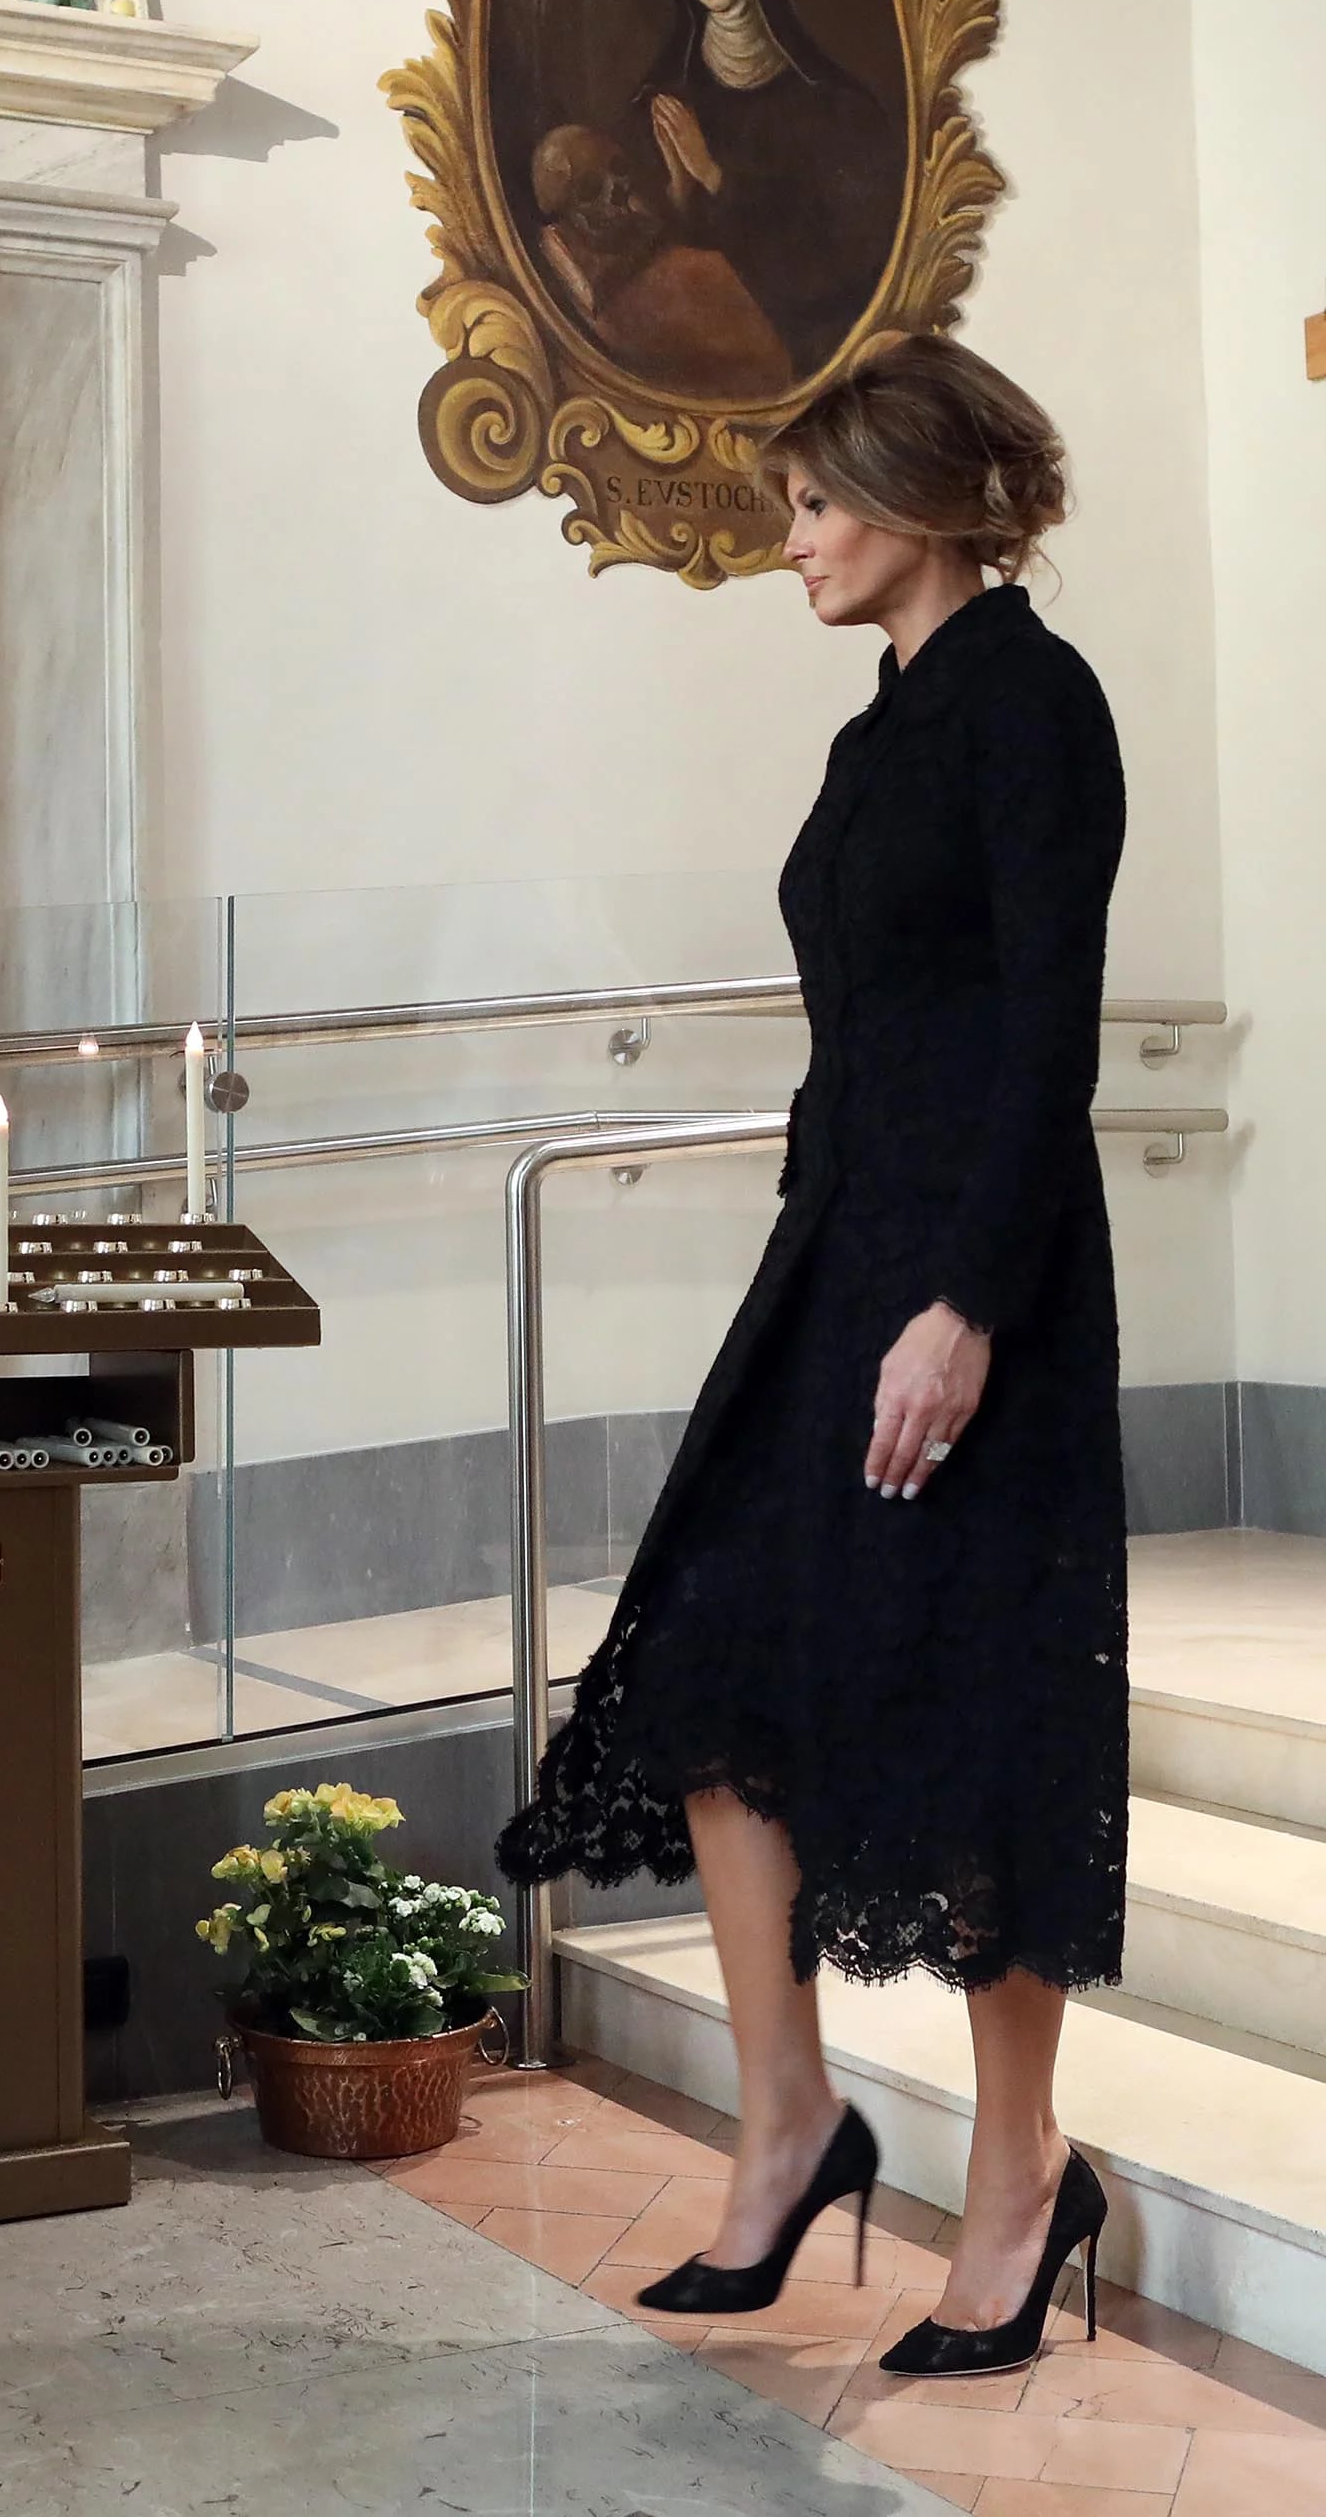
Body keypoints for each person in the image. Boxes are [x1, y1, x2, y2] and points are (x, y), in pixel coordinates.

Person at [500, 334, 1124, 2379]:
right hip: (836, 1257)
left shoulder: (1033, 706)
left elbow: (1047, 1045)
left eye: (816, 506)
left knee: (977, 1715)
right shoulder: (886, 723)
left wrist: (966, 1302)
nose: (792, 546)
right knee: (708, 1671)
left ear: (925, 494)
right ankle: (795, 2117)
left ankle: (1024, 2174)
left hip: (970, 1281)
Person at [635, 0, 904, 386]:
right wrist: (679, 185)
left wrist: (713, 172)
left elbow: (831, 245)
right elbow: (681, 243)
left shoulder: (822, 97)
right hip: (726, 321)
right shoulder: (677, 81)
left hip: (809, 326)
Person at [530, 124, 789, 394]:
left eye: (619, 169)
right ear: (564, 212)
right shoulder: (600, 293)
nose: (617, 192)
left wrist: (680, 186)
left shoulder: (644, 225)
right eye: (589, 188)